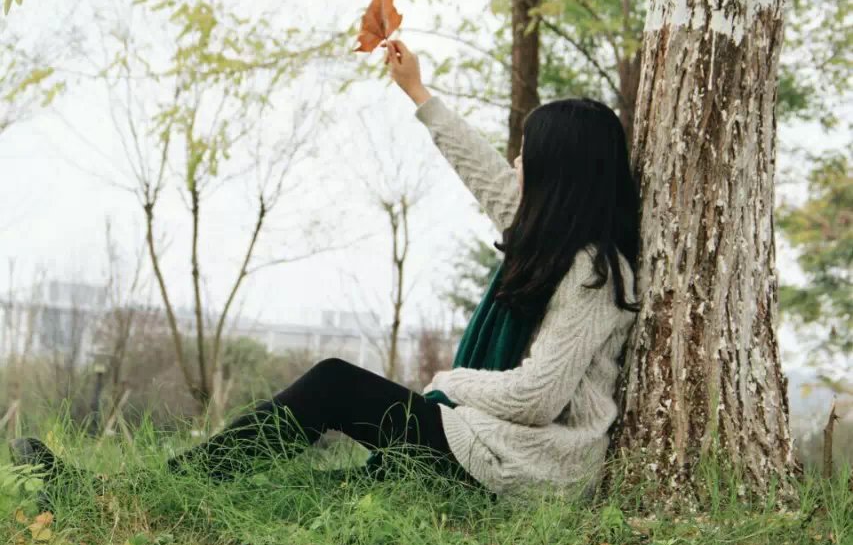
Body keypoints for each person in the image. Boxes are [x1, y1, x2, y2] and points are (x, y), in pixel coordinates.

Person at [10, 38, 640, 503]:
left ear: (561, 176)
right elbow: (484, 176)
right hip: (489, 448)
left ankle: (125, 492)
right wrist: (418, 94)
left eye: (527, 156)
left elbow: (537, 397)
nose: (514, 163)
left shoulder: (592, 272)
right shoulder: (557, 242)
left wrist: (450, 382)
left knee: (335, 384)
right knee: (317, 494)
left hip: (529, 466)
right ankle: (126, 495)